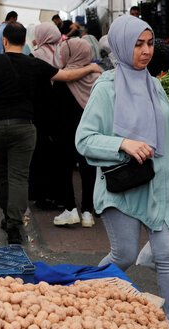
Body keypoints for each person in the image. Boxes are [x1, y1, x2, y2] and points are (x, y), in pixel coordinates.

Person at [75, 16, 169, 329]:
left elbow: (168, 135)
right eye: (137, 44)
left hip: (163, 184)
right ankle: (84, 294)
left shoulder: (154, 84)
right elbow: (84, 139)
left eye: (149, 44)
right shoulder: (106, 88)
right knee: (125, 254)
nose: (146, 51)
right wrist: (124, 143)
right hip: (125, 185)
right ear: (120, 45)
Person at [0, 22, 102, 244]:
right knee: (19, 176)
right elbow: (67, 76)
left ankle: (7, 217)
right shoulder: (34, 63)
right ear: (24, 42)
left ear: (4, 41)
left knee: (1, 175)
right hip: (23, 126)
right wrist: (90, 68)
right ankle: (15, 223)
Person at [52, 38, 100, 227]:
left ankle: (70, 209)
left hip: (65, 133)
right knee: (89, 170)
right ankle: (88, 212)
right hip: (90, 133)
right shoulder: (98, 78)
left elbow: (54, 110)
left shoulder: (63, 79)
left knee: (65, 170)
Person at [28, 22, 63, 209]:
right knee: (55, 156)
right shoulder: (62, 55)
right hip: (57, 112)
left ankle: (40, 195)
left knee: (39, 154)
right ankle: (55, 194)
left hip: (38, 113)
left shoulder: (34, 56)